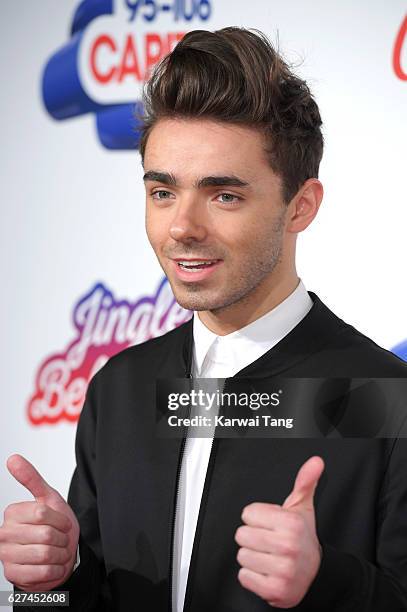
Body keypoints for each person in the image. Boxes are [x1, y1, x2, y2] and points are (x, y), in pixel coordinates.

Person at [1, 26, 407, 612]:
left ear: (302, 207)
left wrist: (326, 584)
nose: (182, 227)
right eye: (163, 192)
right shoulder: (120, 390)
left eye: (224, 195)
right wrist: (48, 588)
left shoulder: (385, 398)